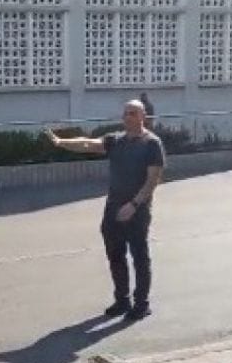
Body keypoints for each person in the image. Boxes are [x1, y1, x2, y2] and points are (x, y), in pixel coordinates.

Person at [44, 100, 166, 320]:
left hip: (137, 210)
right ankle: (122, 300)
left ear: (143, 117)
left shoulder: (152, 144)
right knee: (115, 255)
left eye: (133, 113)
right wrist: (61, 142)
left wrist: (134, 205)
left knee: (139, 257)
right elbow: (88, 144)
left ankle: (141, 304)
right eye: (125, 113)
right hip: (113, 207)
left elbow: (152, 180)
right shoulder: (116, 140)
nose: (127, 117)